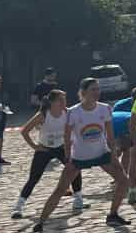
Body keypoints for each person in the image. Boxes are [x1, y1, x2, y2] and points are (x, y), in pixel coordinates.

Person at [31, 77, 131, 233]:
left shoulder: (105, 109)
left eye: (98, 89)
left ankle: (113, 215)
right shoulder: (73, 112)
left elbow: (110, 135)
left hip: (101, 153)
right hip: (79, 157)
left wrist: (113, 153)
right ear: (83, 92)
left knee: (124, 181)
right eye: (93, 89)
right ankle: (40, 224)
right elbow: (67, 136)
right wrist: (68, 157)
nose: (97, 92)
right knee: (60, 189)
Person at [12, 89, 84, 219]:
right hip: (45, 149)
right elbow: (24, 131)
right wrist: (35, 146)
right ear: (51, 102)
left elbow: (76, 127)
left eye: (64, 99)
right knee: (34, 178)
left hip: (61, 147)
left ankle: (78, 199)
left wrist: (73, 142)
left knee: (74, 169)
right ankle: (18, 207)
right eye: (60, 100)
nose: (63, 102)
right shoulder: (43, 114)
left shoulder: (68, 113)